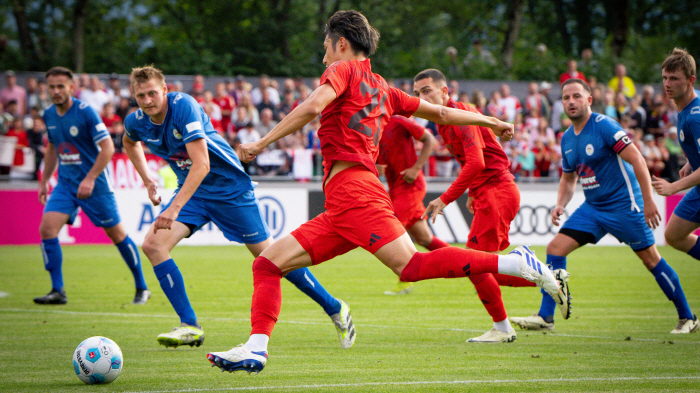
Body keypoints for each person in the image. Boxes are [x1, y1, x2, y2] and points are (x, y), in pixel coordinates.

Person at [206, 10, 562, 374]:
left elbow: (313, 106)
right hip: (344, 204)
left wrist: (261, 143)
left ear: (341, 43)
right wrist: (491, 120)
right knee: (267, 263)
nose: (324, 55)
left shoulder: (342, 70)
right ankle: (256, 348)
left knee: (411, 266)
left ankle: (517, 263)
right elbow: (440, 113)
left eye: (326, 47)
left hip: (355, 193)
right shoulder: (384, 88)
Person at [122, 65, 355, 349]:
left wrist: (172, 209)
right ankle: (190, 325)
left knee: (272, 259)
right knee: (153, 245)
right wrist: (147, 180)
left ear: (165, 90)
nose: (147, 100)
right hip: (195, 193)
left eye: (152, 93)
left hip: (229, 188)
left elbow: (203, 164)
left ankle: (334, 307)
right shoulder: (135, 122)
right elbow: (129, 143)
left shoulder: (183, 106)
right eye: (141, 95)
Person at [510, 78, 697, 334]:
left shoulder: (605, 126)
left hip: (624, 206)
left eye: (577, 96)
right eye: (566, 97)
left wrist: (649, 201)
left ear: (589, 99)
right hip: (594, 208)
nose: (571, 101)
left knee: (651, 259)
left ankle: (688, 317)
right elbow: (568, 178)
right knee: (555, 249)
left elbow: (638, 161)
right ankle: (546, 317)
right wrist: (560, 204)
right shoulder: (566, 139)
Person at [413, 68, 569, 343]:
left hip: (497, 190)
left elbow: (477, 162)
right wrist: (472, 192)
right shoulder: (443, 120)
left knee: (475, 265)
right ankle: (549, 279)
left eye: (427, 91)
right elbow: (472, 159)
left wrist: (445, 198)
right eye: (417, 94)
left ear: (444, 92)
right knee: (480, 266)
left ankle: (506, 325)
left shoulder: (457, 115)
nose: (421, 98)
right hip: (489, 191)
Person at [34, 66, 150, 305]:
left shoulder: (85, 113)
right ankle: (58, 290)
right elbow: (53, 148)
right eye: (52, 86)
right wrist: (45, 180)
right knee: (47, 229)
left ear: (71, 88)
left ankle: (142, 286)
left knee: (117, 234)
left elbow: (108, 147)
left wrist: (89, 178)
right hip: (66, 184)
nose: (56, 91)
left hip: (94, 185)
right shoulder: (49, 114)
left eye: (60, 86)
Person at [651, 49, 700, 324]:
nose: (667, 84)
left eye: (674, 78)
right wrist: (691, 163)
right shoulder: (684, 108)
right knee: (674, 235)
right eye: (665, 78)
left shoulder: (695, 116)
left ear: (690, 79)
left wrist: (675, 186)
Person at [376, 115, 449, 296]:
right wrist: (375, 165)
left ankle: (405, 281)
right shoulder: (371, 128)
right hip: (396, 189)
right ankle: (473, 267)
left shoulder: (398, 121)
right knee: (425, 239)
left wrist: (416, 168)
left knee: (393, 232)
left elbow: (429, 139)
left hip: (411, 186)